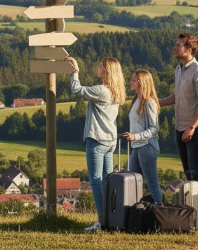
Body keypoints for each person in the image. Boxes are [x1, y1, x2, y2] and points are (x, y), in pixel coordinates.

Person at [67, 56, 126, 232]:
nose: (98, 67)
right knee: (108, 181)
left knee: (96, 181)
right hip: (110, 140)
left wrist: (75, 71)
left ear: (106, 71)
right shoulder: (117, 91)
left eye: (100, 65)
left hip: (97, 139)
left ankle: (101, 221)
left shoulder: (101, 90)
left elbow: (76, 89)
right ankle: (111, 218)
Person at [159, 33, 198, 227]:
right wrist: (158, 103)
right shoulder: (178, 70)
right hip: (180, 128)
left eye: (178, 45)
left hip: (194, 129)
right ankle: (192, 215)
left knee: (197, 173)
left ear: (189, 49)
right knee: (189, 174)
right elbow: (177, 96)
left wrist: (192, 127)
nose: (175, 48)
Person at [121, 69, 163, 204]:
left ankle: (159, 212)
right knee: (131, 180)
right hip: (137, 147)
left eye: (134, 80)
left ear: (142, 83)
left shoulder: (149, 102)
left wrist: (135, 136)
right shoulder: (136, 101)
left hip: (147, 146)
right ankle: (134, 214)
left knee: (151, 182)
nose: (130, 82)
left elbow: (154, 128)